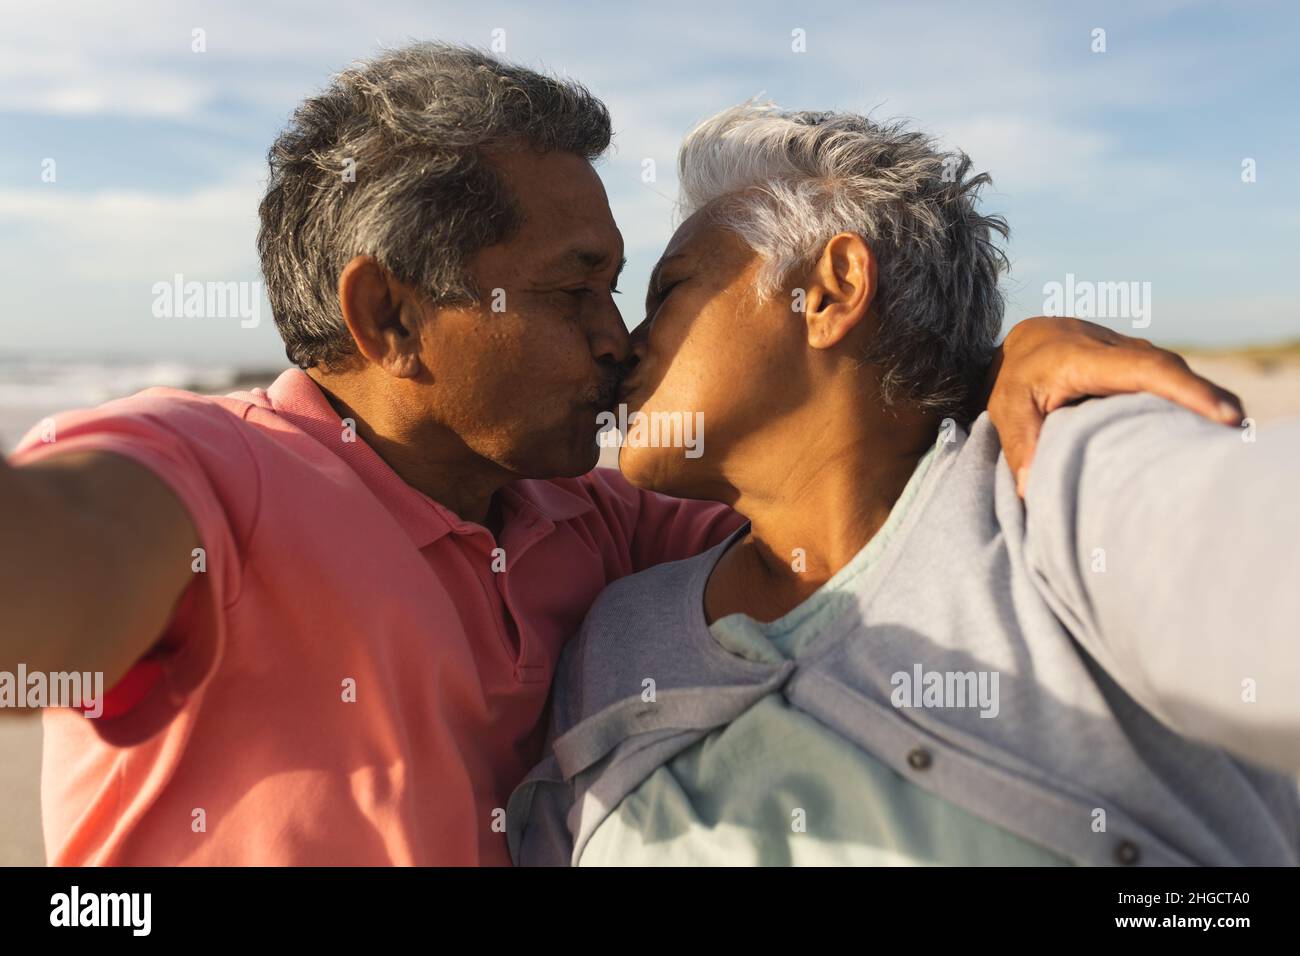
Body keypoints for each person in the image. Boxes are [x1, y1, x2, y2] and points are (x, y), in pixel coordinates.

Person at [0, 45, 1243, 866]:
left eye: (636, 286)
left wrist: (992, 357)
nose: (616, 339)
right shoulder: (200, 475)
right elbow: (52, 570)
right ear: (387, 319)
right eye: (574, 289)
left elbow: (850, 479)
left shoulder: (585, 519)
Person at [506, 103, 1300, 866]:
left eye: (665, 291)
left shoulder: (1051, 489)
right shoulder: (614, 633)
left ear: (829, 290)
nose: (619, 344)